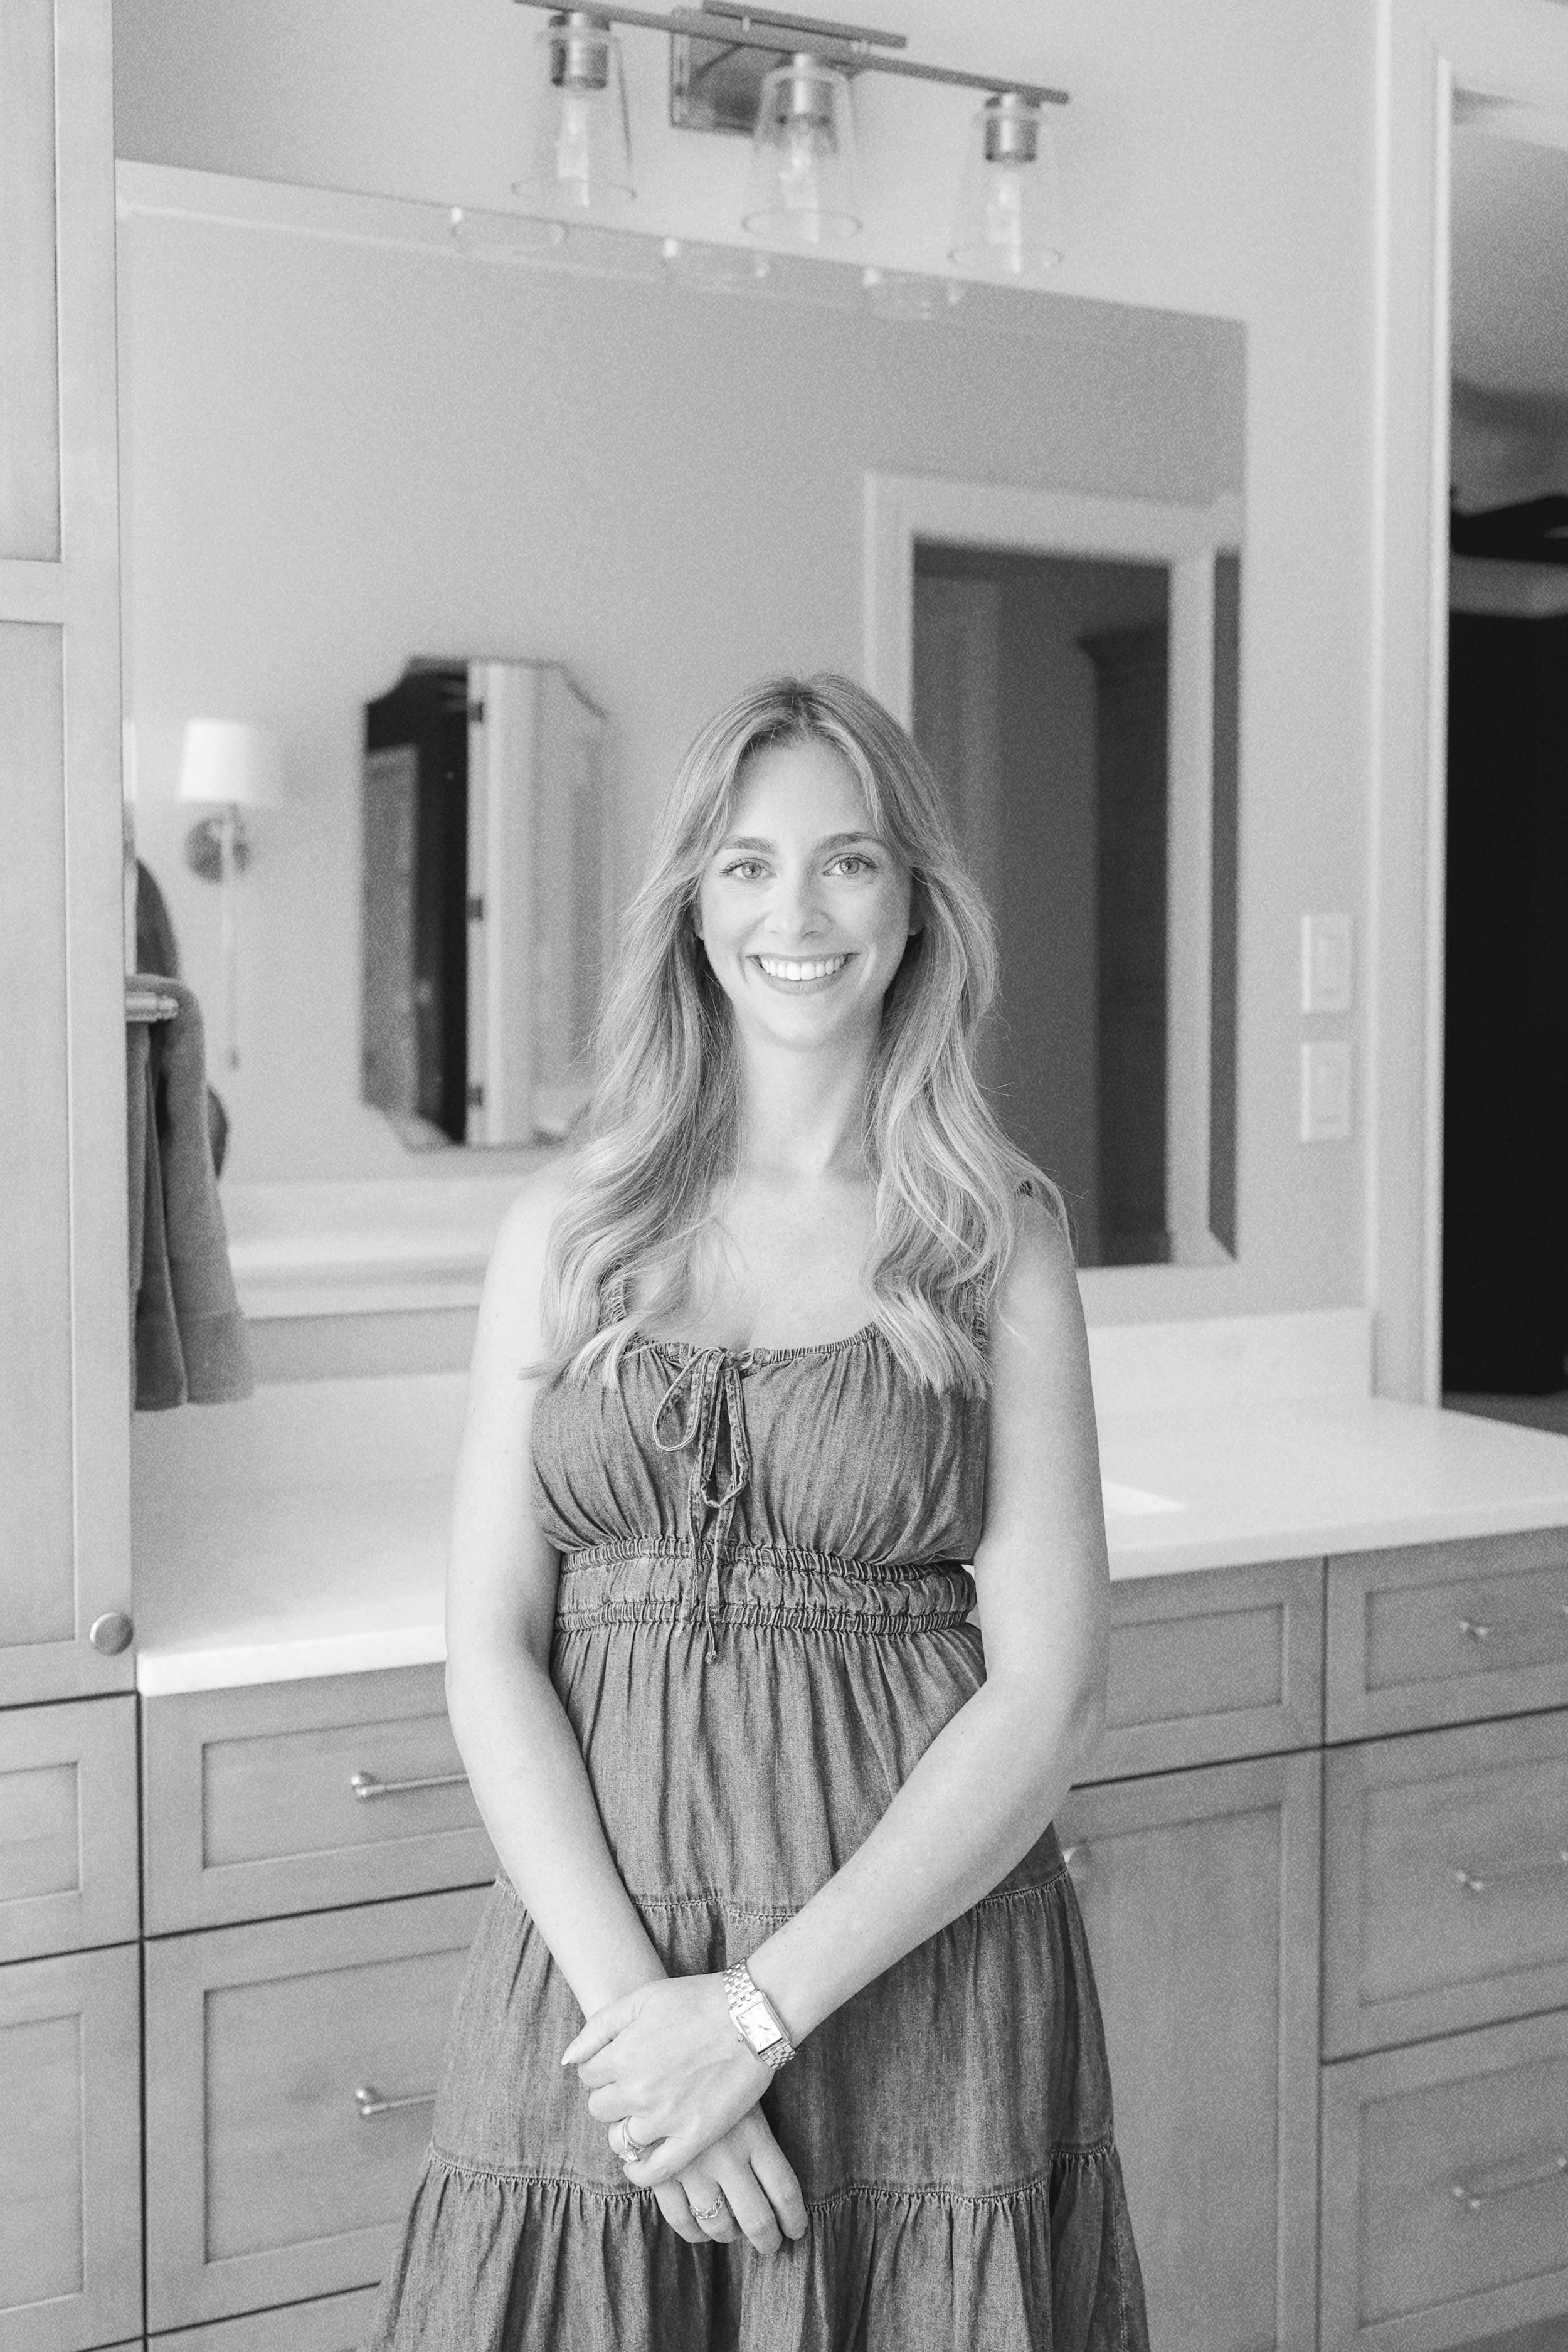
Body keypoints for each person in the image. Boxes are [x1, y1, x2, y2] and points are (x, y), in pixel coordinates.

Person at [368, 674, 1148, 2350]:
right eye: (744, 864)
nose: (795, 911)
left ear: (915, 901)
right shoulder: (567, 1231)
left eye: (848, 862)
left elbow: (1050, 1687)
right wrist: (649, 2024)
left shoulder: (990, 1234)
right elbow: (490, 1641)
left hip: (912, 1975)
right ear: (690, 905)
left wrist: (755, 2012)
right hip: (598, 1969)